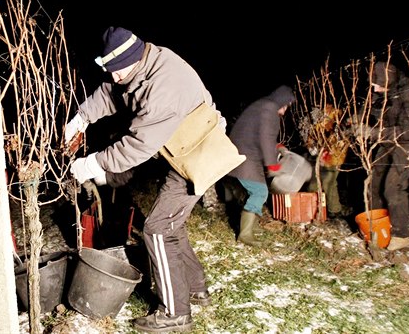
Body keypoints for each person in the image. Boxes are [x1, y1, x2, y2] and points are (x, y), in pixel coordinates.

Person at [64, 26, 224, 333]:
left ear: (132, 61)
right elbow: (113, 93)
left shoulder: (164, 87)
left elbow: (137, 146)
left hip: (199, 153)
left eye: (117, 72)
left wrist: (93, 163)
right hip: (180, 148)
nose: (113, 78)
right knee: (170, 222)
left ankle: (175, 313)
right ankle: (196, 287)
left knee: (158, 229)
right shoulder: (143, 63)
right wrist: (82, 117)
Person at [225, 85, 296, 246]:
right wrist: (273, 165)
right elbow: (265, 138)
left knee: (259, 190)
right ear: (281, 101)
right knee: (260, 192)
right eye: (285, 105)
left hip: (247, 154)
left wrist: (276, 147)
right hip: (246, 156)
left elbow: (258, 133)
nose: (284, 111)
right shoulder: (269, 108)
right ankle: (245, 234)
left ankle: (253, 226)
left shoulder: (264, 105)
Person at [368, 61, 409, 251]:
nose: (375, 89)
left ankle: (401, 235)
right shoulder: (387, 91)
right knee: (373, 184)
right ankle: (376, 227)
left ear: (387, 78)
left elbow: (408, 131)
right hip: (386, 142)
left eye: (377, 84)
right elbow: (376, 114)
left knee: (393, 188)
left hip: (406, 145)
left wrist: (373, 133)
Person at [304, 104, 352, 219]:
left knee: (329, 183)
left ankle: (335, 211)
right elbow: (311, 136)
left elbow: (340, 140)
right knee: (313, 185)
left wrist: (327, 154)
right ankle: (311, 210)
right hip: (320, 156)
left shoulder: (338, 117)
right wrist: (311, 147)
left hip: (334, 157)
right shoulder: (315, 117)